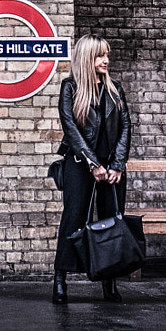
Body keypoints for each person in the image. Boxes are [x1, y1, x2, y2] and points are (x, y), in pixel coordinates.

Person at [54, 34, 131, 304]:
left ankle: (109, 283)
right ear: (87, 58)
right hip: (79, 165)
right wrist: (92, 163)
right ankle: (60, 280)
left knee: (111, 219)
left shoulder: (115, 89)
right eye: (100, 55)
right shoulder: (70, 87)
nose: (106, 60)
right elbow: (71, 130)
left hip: (112, 168)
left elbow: (125, 129)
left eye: (107, 54)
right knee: (73, 219)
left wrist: (117, 165)